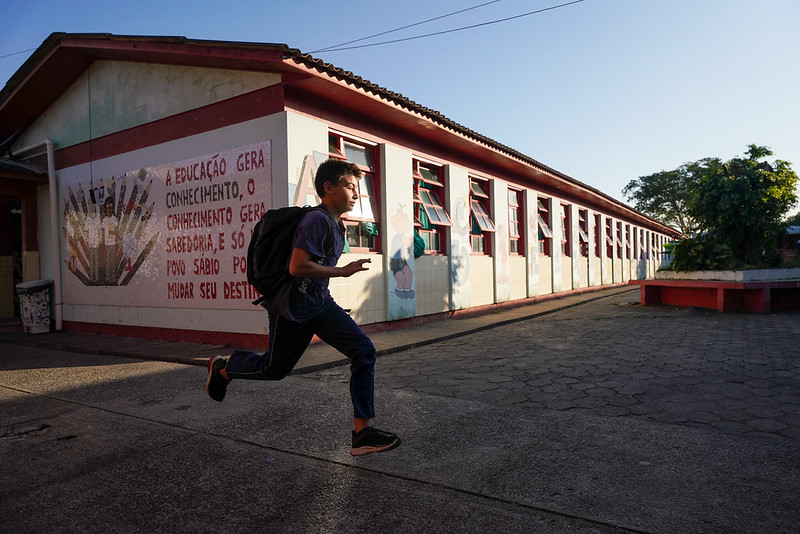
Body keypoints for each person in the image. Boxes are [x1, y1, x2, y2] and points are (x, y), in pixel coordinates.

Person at [205, 159, 400, 456]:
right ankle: (223, 368)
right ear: (329, 188)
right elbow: (298, 267)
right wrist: (343, 272)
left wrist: (335, 277)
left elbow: (315, 267)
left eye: (357, 188)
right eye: (350, 186)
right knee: (274, 370)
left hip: (320, 304)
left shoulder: (338, 226)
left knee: (364, 351)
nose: (356, 193)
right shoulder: (317, 220)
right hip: (291, 308)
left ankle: (362, 435)